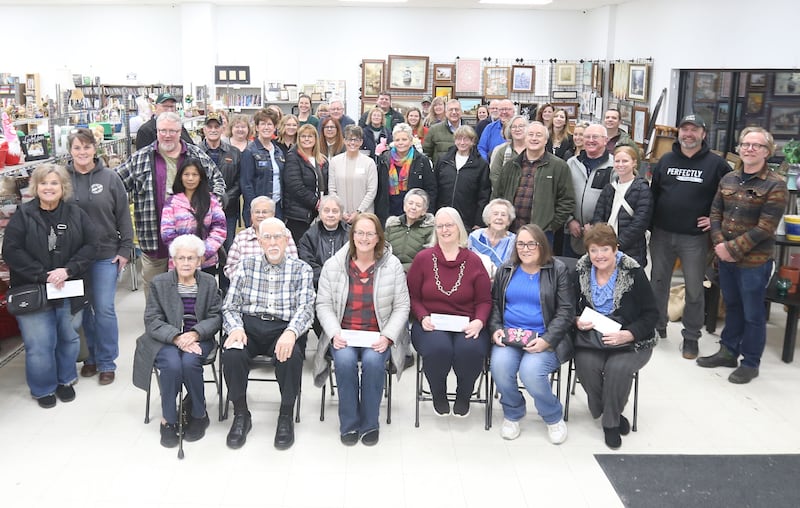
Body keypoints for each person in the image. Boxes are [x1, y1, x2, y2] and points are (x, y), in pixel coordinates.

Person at [697, 127, 788, 384]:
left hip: (754, 263)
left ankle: (750, 362)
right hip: (724, 258)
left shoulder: (776, 184)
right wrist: (718, 244)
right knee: (732, 306)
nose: (749, 149)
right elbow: (715, 213)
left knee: (753, 313)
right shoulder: (728, 179)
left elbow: (766, 227)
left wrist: (731, 249)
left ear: (767, 152)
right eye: (745, 144)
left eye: (756, 145)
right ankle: (728, 352)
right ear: (739, 148)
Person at [2, 164, 96, 408]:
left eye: (54, 183)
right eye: (44, 183)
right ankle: (43, 388)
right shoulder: (23, 215)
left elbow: (91, 246)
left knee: (68, 338)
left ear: (63, 187)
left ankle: (65, 380)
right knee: (40, 344)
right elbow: (11, 251)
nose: (49, 188)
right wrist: (43, 274)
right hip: (34, 290)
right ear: (35, 186)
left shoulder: (76, 214)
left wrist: (68, 270)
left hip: (69, 288)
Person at [313, 213, 410, 446]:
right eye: (359, 233)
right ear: (352, 235)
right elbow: (323, 304)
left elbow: (402, 306)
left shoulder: (392, 265)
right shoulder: (334, 265)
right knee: (344, 363)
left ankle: (369, 423)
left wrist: (387, 336)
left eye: (370, 233)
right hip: (343, 334)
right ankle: (348, 423)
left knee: (374, 363)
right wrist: (335, 332)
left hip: (378, 335)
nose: (364, 238)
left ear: (378, 237)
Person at [221, 217, 315, 450]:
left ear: (286, 240)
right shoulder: (246, 265)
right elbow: (230, 305)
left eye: (277, 237)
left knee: (290, 357)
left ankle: (285, 415)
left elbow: (306, 308)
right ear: (260, 241)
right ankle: (241, 414)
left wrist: (292, 332)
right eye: (267, 237)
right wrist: (236, 328)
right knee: (232, 354)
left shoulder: (301, 269)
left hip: (283, 328)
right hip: (249, 326)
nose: (273, 242)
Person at [116, 111, 225, 298]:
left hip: (192, 245)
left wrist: (210, 206)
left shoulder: (196, 154)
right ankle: (156, 327)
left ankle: (186, 328)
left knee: (191, 297)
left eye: (172, 131)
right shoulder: (140, 158)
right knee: (155, 294)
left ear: (180, 131)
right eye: (162, 130)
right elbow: (116, 184)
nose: (167, 135)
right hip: (154, 242)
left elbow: (218, 182)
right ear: (156, 131)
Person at [649, 114, 730, 355]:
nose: (688, 134)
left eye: (694, 130)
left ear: (703, 134)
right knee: (658, 284)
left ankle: (692, 336)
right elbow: (653, 195)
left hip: (694, 238)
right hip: (662, 233)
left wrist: (717, 220)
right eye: (684, 129)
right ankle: (657, 326)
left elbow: (730, 196)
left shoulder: (717, 165)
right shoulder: (665, 160)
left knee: (694, 288)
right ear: (679, 133)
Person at [131, 234, 221, 448]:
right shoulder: (159, 283)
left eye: (191, 258)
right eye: (181, 258)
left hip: (199, 338)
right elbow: (152, 320)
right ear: (173, 260)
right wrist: (176, 337)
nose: (186, 263)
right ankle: (168, 419)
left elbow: (216, 316)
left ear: (200, 261)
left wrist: (196, 333)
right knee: (171, 365)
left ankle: (199, 415)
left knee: (190, 362)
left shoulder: (208, 283)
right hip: (166, 339)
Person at [574, 223, 657, 449]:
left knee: (617, 369)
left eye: (605, 249)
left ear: (615, 249)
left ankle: (610, 423)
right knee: (585, 364)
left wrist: (629, 334)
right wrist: (576, 320)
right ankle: (606, 408)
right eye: (593, 250)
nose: (599, 255)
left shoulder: (633, 272)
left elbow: (652, 315)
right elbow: (569, 306)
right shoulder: (580, 271)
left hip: (631, 339)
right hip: (591, 338)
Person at [489, 224, 573, 443]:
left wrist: (547, 340)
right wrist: (496, 328)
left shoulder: (557, 269)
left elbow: (566, 311)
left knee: (530, 372)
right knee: (499, 366)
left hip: (544, 338)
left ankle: (553, 416)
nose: (525, 249)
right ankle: (513, 412)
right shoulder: (506, 269)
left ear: (541, 245)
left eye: (530, 244)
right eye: (520, 244)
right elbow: (495, 304)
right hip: (510, 336)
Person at [407, 207, 492, 417]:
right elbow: (412, 296)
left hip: (467, 323)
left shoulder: (473, 261)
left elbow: (484, 300)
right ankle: (438, 392)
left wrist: (480, 322)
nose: (445, 230)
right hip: (431, 322)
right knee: (438, 349)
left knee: (470, 350)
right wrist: (422, 316)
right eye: (440, 226)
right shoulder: (423, 258)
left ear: (459, 228)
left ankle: (464, 393)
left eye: (449, 225)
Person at [66, 127, 133, 385]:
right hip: (74, 259)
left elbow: (123, 215)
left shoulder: (110, 178)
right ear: (70, 151)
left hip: (106, 254)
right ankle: (91, 358)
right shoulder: (63, 179)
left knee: (104, 309)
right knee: (85, 310)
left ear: (95, 149)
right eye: (77, 147)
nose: (82, 152)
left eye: (86, 147)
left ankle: (107, 362)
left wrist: (125, 249)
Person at [491, 122, 575, 242]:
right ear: (525, 138)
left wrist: (551, 226)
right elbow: (497, 195)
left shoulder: (559, 166)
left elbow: (567, 200)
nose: (534, 138)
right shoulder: (511, 165)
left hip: (541, 233)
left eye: (538, 135)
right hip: (509, 231)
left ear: (546, 140)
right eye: (530, 134)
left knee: (539, 261)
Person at [161, 158, 227, 275]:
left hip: (206, 262)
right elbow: (167, 233)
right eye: (186, 174)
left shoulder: (211, 200)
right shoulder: (171, 202)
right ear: (180, 177)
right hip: (180, 262)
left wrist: (203, 252)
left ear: (200, 177)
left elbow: (220, 229)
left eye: (194, 174)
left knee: (206, 292)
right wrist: (184, 255)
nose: (190, 178)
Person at [590, 145, 652, 267]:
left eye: (625, 161)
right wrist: (603, 240)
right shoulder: (610, 188)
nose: (620, 164)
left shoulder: (642, 189)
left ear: (634, 163)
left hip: (631, 249)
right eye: (617, 161)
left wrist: (618, 244)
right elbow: (598, 215)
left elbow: (640, 222)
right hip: (606, 247)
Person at [564, 124, 615, 258]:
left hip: (601, 236)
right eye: (587, 136)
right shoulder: (571, 163)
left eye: (595, 137)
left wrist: (596, 226)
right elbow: (561, 194)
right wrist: (569, 221)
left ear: (606, 140)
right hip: (572, 233)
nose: (590, 140)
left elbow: (614, 203)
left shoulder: (614, 166)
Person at [199, 112, 242, 269]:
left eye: (216, 126)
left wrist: (223, 199)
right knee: (206, 250)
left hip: (228, 210)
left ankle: (225, 288)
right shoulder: (195, 152)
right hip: (201, 211)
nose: (213, 130)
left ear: (222, 128)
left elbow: (239, 182)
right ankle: (209, 287)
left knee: (227, 249)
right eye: (209, 127)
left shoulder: (234, 153)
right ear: (204, 129)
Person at [375, 123, 437, 226]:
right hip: (389, 210)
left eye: (404, 139)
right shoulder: (384, 159)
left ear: (411, 140)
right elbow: (379, 188)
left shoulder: (421, 161)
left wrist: (427, 213)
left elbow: (431, 189)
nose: (401, 143)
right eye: (397, 140)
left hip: (413, 211)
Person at [224, 196, 298, 280]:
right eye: (257, 212)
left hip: (279, 286)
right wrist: (243, 281)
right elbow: (230, 267)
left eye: (265, 212)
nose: (260, 215)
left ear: (273, 214)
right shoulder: (242, 237)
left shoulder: (284, 233)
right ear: (251, 215)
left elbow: (294, 263)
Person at [434, 125, 490, 230]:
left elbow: (484, 195)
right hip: (443, 214)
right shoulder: (443, 161)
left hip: (467, 219)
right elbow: (434, 188)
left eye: (466, 139)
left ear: (472, 141)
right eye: (459, 139)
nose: (462, 142)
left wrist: (478, 221)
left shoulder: (481, 165)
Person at [283, 124, 327, 243]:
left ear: (315, 139)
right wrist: (316, 203)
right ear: (298, 138)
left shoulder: (321, 159)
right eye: (303, 136)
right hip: (299, 214)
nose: (307, 139)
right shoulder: (293, 157)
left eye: (310, 136)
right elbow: (295, 186)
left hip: (318, 212)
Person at [240, 108, 284, 226]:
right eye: (263, 124)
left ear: (275, 127)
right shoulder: (250, 151)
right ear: (257, 127)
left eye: (269, 124)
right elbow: (246, 184)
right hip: (258, 210)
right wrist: (257, 208)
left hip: (277, 207)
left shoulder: (278, 151)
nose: (266, 127)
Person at [298, 194, 350, 289]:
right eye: (326, 211)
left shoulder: (350, 235)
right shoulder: (309, 236)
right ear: (320, 213)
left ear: (341, 214)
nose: (330, 215)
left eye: (335, 211)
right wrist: (326, 278)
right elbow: (307, 263)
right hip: (317, 286)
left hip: (346, 285)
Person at [329, 125, 378, 223]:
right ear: (344, 141)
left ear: (361, 142)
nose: (352, 143)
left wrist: (359, 211)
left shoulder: (369, 162)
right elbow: (332, 189)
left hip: (364, 215)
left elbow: (371, 191)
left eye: (356, 140)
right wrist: (341, 211)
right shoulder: (335, 161)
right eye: (349, 139)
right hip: (341, 216)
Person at [384, 188, 435, 272]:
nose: (413, 207)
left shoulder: (430, 229)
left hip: (415, 273)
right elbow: (382, 251)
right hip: (390, 271)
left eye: (418, 205)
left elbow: (427, 259)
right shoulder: (392, 225)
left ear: (424, 211)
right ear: (404, 206)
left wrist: (402, 269)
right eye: (410, 203)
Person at [468, 198, 516, 276]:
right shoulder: (475, 237)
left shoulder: (514, 241)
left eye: (503, 215)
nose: (499, 218)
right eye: (495, 214)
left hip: (502, 284)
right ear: (488, 218)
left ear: (509, 221)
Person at [489, 115, 528, 190]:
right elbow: (494, 175)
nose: (517, 129)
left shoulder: (533, 150)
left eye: (521, 126)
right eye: (514, 127)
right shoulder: (501, 151)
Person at [422, 99, 462, 165]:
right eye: (451, 110)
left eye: (457, 109)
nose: (454, 112)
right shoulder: (434, 130)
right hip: (440, 172)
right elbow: (426, 153)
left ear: (461, 112)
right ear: (446, 112)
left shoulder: (469, 130)